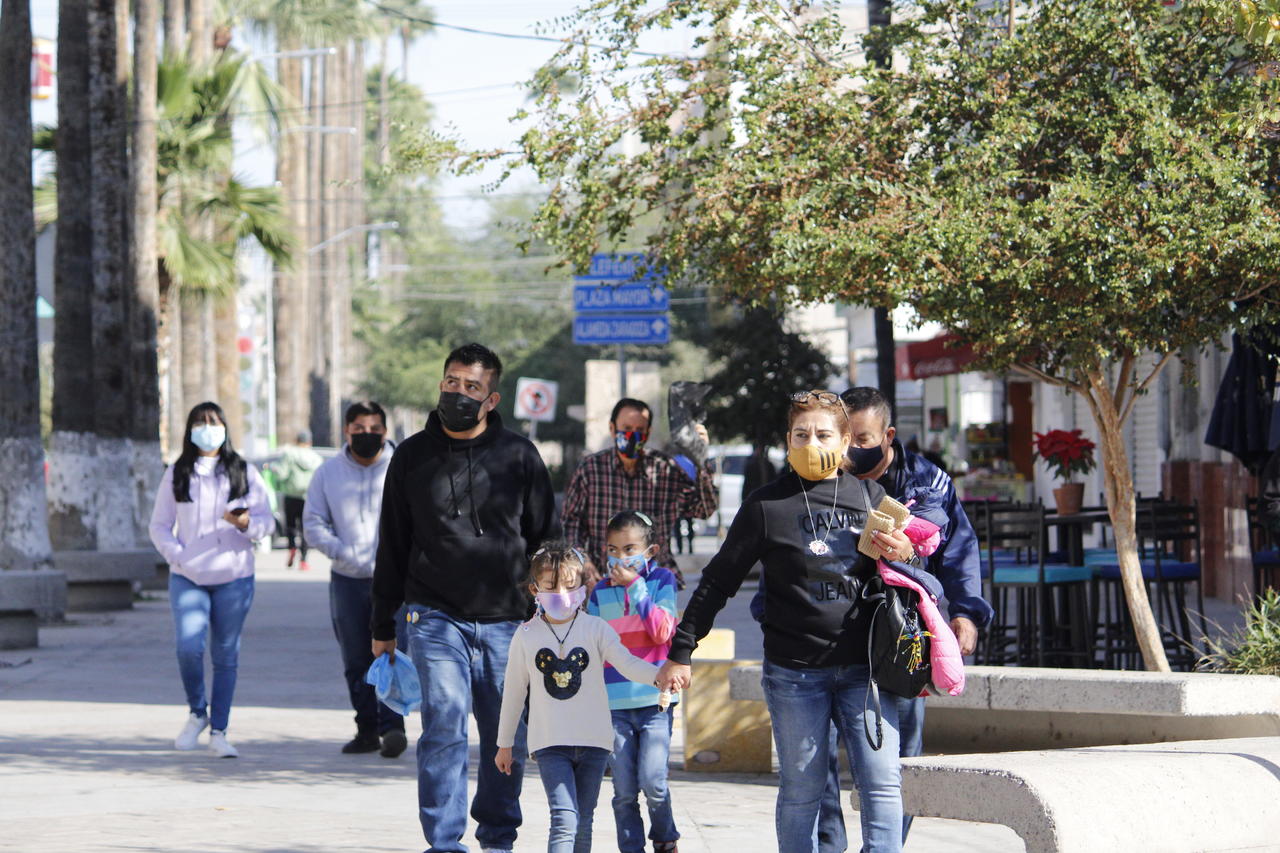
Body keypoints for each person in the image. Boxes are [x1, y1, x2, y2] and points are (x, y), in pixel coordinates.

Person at [656, 390, 922, 853]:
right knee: (802, 793)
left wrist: (905, 553)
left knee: (882, 786)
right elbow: (718, 581)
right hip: (795, 675)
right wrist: (681, 650)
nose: (811, 442)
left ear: (844, 443)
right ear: (787, 440)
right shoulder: (766, 506)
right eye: (801, 434)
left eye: (822, 434)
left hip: (866, 673)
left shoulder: (871, 496)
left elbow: (904, 575)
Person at [371, 343, 560, 853]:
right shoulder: (411, 455)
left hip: (508, 622)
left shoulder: (520, 456)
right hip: (432, 615)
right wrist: (382, 626)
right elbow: (391, 541)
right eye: (451, 382)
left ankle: (497, 836)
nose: (458, 393)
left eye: (471, 387)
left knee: (507, 739)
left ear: (491, 398)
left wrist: (555, 614)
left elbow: (548, 540)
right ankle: (444, 841)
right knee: (445, 723)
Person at [838, 385, 993, 845]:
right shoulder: (821, 480)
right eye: (844, 437)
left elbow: (959, 549)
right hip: (833, 632)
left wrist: (965, 613)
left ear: (887, 436)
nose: (851, 449)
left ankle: (889, 845)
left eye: (862, 439)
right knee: (822, 758)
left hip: (903, 635)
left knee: (903, 750)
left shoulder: (928, 482)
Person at [496, 543, 661, 853]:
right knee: (564, 819)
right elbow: (514, 692)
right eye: (551, 586)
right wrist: (504, 743)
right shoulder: (526, 635)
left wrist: (659, 675)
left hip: (595, 743)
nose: (561, 593)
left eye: (571, 585)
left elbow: (626, 663)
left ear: (583, 586)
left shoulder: (596, 628)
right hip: (549, 743)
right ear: (535, 588)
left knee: (583, 821)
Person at [149, 402, 273, 759]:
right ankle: (197, 712)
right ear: (190, 430)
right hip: (188, 576)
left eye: (214, 422)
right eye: (201, 423)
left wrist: (247, 524)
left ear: (225, 428)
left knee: (225, 654)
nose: (208, 429)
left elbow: (268, 520)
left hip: (234, 577)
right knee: (189, 646)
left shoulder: (243, 471)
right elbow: (159, 525)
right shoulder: (177, 472)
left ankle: (219, 730)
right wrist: (178, 555)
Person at [303, 400, 409, 758]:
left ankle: (393, 727)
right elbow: (313, 523)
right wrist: (342, 551)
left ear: (385, 431)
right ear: (346, 432)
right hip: (347, 581)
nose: (367, 436)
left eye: (375, 430)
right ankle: (366, 729)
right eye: (359, 430)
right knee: (355, 658)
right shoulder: (327, 473)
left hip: (396, 582)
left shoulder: (404, 468)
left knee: (393, 654)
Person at [586, 511, 681, 853]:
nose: (620, 557)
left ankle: (665, 837)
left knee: (654, 781)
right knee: (624, 790)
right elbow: (593, 646)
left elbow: (662, 632)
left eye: (629, 549)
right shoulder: (598, 592)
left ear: (650, 550)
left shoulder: (662, 581)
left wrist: (635, 587)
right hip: (614, 707)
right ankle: (631, 847)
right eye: (613, 549)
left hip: (656, 702)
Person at [562, 397, 718, 582]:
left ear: (648, 432)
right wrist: (583, 562)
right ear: (612, 429)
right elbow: (571, 522)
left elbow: (704, 509)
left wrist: (701, 462)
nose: (633, 435)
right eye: (627, 429)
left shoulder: (665, 469)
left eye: (639, 430)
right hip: (603, 581)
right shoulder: (591, 469)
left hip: (654, 583)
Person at [272, 429, 323, 570]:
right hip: (308, 497)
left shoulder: (289, 454)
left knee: (291, 526)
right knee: (305, 527)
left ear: (297, 440)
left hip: (291, 495)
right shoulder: (316, 458)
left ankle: (292, 548)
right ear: (309, 442)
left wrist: (273, 470)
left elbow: (282, 474)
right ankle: (304, 559)